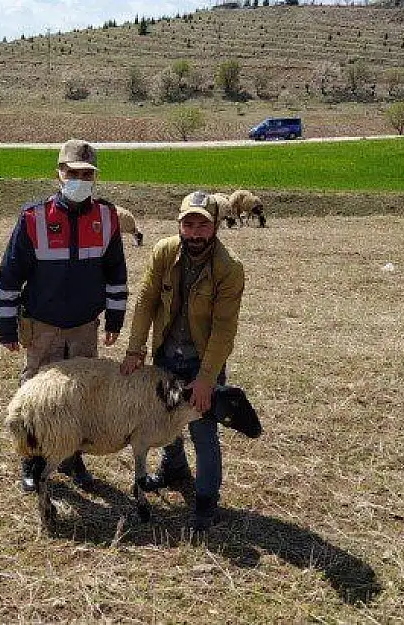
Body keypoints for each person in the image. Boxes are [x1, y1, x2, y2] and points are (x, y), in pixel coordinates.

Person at [0, 139, 129, 493]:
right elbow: (9, 276)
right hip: (44, 326)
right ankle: (31, 459)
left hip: (85, 326)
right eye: (73, 173)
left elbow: (116, 272)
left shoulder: (106, 216)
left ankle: (72, 457)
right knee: (36, 394)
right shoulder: (33, 218)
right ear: (59, 173)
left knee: (81, 395)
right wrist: (6, 325)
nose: (80, 180)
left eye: (87, 174)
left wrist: (114, 319)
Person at [119, 191, 245, 530]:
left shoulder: (229, 269)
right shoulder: (164, 251)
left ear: (216, 226)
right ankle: (173, 468)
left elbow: (223, 330)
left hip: (202, 362)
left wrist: (206, 379)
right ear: (179, 225)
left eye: (202, 225)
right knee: (165, 418)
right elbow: (146, 301)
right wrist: (135, 349)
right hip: (166, 357)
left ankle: (206, 500)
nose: (194, 233)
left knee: (203, 431)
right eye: (188, 224)